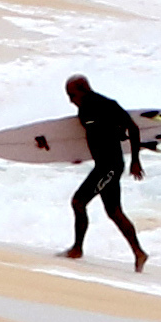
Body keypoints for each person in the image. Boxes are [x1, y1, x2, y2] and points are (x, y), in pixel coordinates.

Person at [59, 69, 151, 269]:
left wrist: (136, 160)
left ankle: (77, 249)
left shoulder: (106, 105)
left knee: (78, 201)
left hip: (110, 166)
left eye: (71, 95)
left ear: (83, 90)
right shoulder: (83, 110)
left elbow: (132, 128)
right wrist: (78, 156)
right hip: (102, 165)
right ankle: (139, 253)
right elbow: (96, 136)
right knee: (114, 212)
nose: (70, 100)